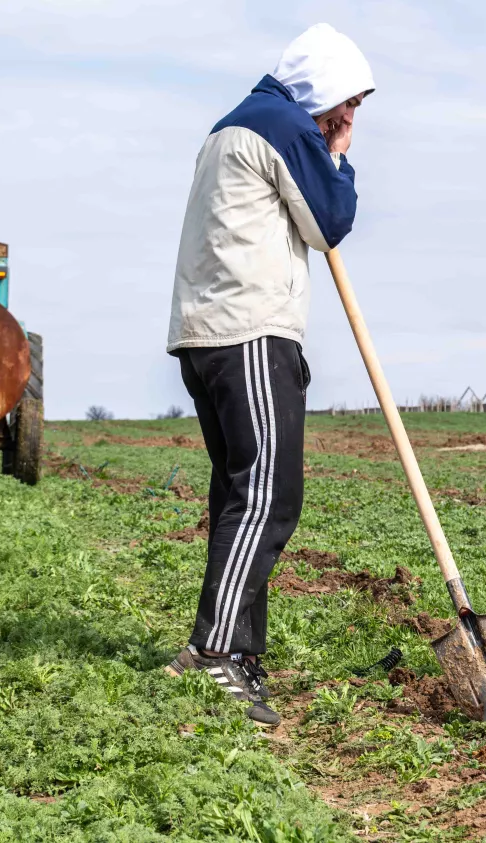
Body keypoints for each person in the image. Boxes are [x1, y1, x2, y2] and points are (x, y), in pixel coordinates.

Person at [163, 23, 375, 725]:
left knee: (240, 496)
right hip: (249, 330)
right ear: (319, 91)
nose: (346, 120)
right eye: (345, 105)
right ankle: (217, 649)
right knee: (268, 496)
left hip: (207, 334)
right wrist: (338, 157)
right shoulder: (284, 124)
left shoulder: (232, 126)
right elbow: (331, 220)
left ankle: (237, 652)